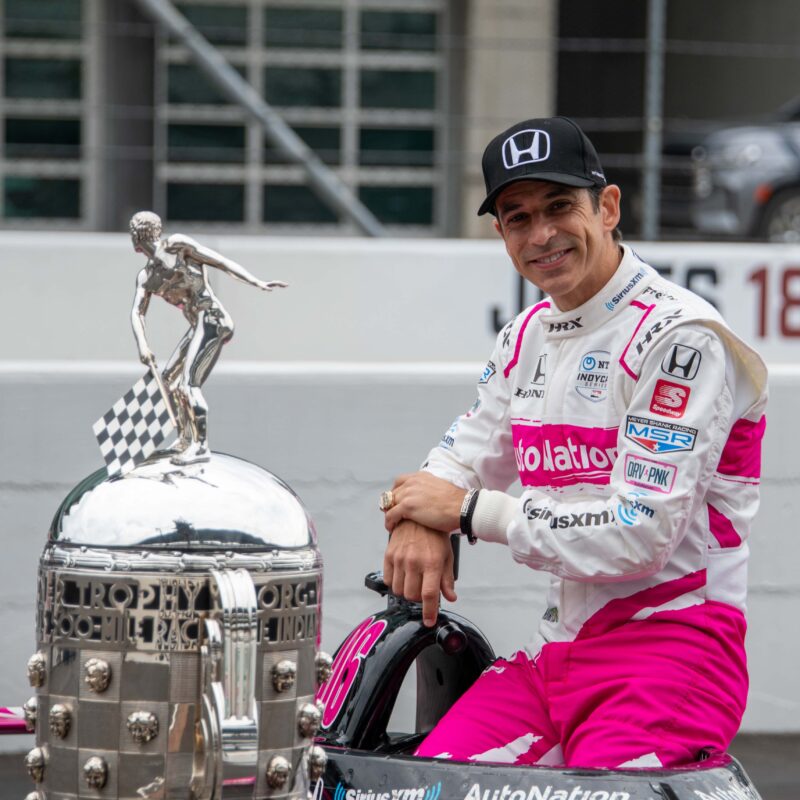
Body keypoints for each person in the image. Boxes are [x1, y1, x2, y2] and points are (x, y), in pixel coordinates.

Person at [379, 117, 768, 769]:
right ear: (502, 234)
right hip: (558, 651)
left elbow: (638, 533)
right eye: (517, 217)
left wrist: (471, 514)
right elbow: (459, 457)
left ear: (608, 207)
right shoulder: (528, 333)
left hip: (675, 653)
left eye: (559, 207)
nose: (541, 234)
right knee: (427, 783)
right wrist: (417, 519)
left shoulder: (681, 337)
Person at [129, 211, 287, 463]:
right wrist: (143, 347)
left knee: (187, 384)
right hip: (198, 324)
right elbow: (137, 312)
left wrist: (257, 282)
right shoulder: (147, 276)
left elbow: (220, 262)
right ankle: (184, 438)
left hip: (213, 319)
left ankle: (200, 445)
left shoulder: (177, 246)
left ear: (136, 236)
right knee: (168, 379)